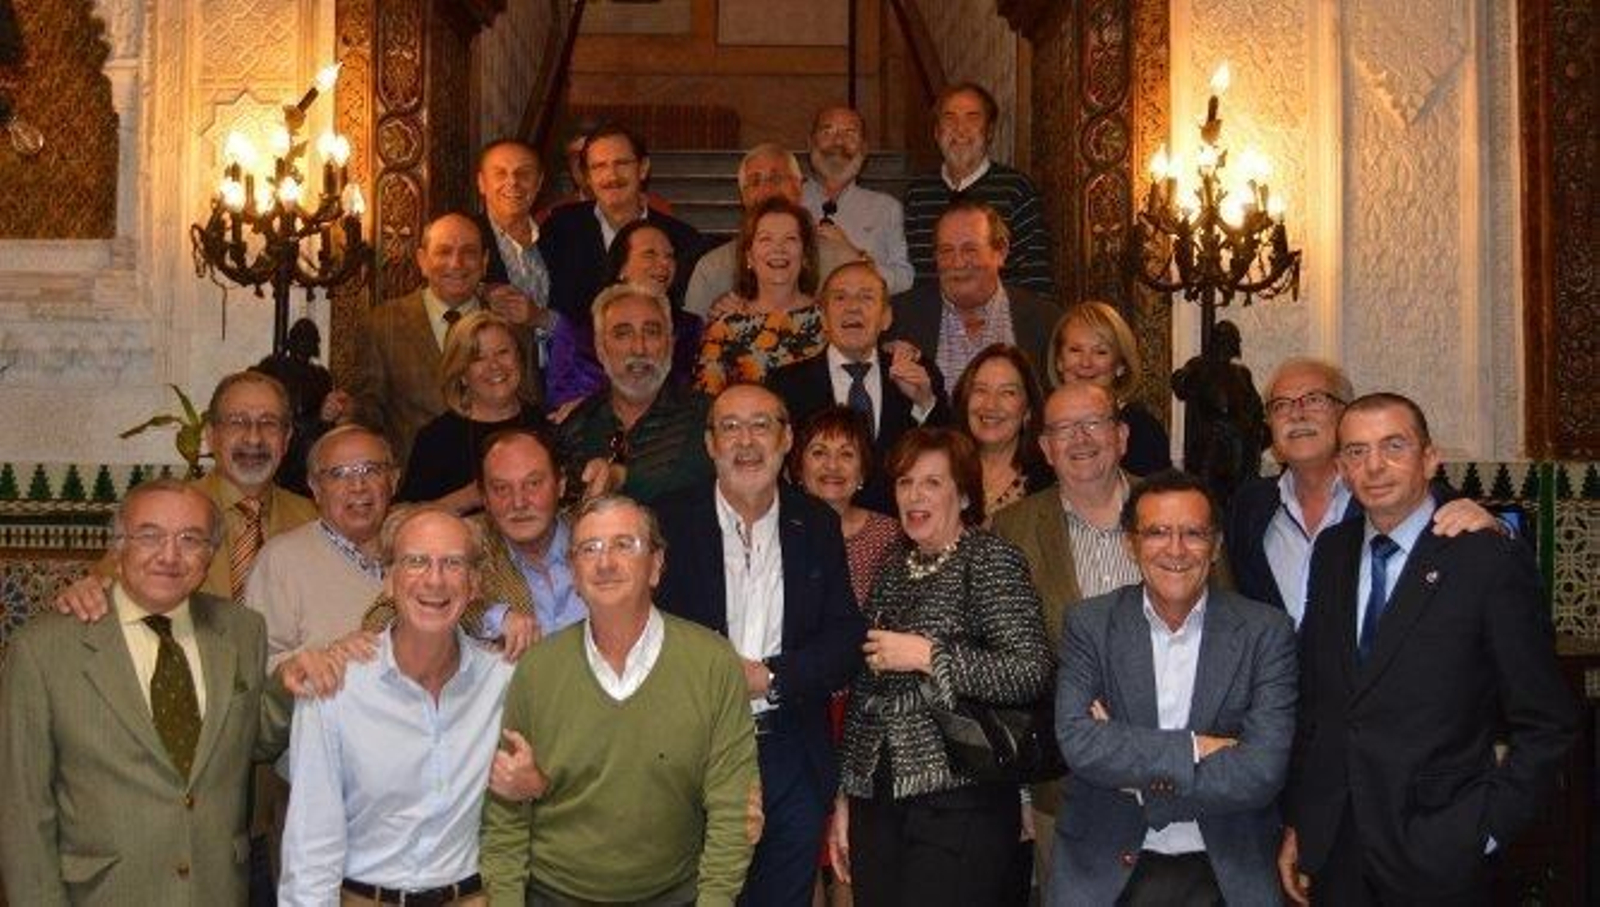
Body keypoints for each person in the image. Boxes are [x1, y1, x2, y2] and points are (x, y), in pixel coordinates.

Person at [1279, 393, 1578, 906]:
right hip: (1336, 850)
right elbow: (1320, 704)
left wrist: (1486, 829)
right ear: (1342, 468)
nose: (1374, 466)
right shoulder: (1332, 553)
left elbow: (1549, 721)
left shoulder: (1486, 558)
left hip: (1441, 850)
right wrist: (1302, 823)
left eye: (1394, 446)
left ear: (1430, 457)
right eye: (1356, 451)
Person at [1, 479, 287, 905]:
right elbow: (23, 809)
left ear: (210, 554)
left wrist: (291, 690)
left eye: (191, 539)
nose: (169, 556)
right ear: (118, 546)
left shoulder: (244, 631)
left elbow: (255, 742)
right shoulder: (44, 648)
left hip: (216, 891)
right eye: (149, 535)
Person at [480, 494, 761, 905]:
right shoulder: (537, 670)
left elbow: (733, 809)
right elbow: (505, 816)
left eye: (624, 545)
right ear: (573, 572)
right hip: (554, 895)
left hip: (673, 895)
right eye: (589, 549)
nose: (606, 562)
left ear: (657, 564)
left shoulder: (711, 664)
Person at [654, 383, 867, 905]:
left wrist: (771, 677)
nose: (745, 442)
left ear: (786, 437)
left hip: (791, 749)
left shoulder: (816, 523)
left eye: (761, 425)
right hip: (693, 754)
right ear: (709, 443)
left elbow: (844, 638)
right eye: (729, 427)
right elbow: (640, 629)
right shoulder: (668, 522)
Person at [1051, 469, 1297, 905]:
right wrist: (1197, 748)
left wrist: (1138, 779)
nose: (1176, 550)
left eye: (1193, 533)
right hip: (1106, 870)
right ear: (1131, 543)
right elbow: (1080, 743)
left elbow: (1262, 771)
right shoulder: (1090, 624)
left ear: (1216, 545)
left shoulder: (1267, 632)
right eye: (1158, 533)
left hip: (1228, 870)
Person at [831, 427, 1054, 905]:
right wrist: (847, 796)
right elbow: (866, 690)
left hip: (961, 800)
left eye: (932, 482)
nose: (914, 495)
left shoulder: (990, 559)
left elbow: (1029, 671)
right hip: (879, 799)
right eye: (905, 482)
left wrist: (929, 656)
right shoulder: (893, 566)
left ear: (965, 492)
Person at [279, 505, 513, 906]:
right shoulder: (337, 687)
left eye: (453, 564)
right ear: (388, 580)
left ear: (474, 584)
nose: (434, 580)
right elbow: (312, 847)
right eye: (416, 562)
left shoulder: (503, 681)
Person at [991, 381, 1143, 890]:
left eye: (1093, 423)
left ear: (1120, 435)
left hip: (1171, 772)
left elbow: (1226, 637)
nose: (1080, 438)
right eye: (1062, 428)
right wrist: (1019, 794)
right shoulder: (1012, 529)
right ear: (1045, 448)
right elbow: (998, 663)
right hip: (1061, 780)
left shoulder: (1174, 508)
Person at [1225, 357, 1501, 624]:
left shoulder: (1395, 494)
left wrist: (1498, 528)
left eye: (1314, 400)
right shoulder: (1248, 506)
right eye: (1281, 405)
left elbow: (1475, 534)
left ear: (1345, 414)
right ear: (1269, 424)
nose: (1297, 414)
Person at [57, 370, 318, 611]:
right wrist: (88, 592)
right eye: (237, 422)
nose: (253, 438)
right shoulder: (162, 511)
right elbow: (104, 584)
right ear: (211, 435)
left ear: (286, 440)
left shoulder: (314, 521)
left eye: (268, 423)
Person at [787, 406, 900, 905]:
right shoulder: (778, 528)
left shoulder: (890, 535)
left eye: (846, 453)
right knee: (799, 853)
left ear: (863, 470)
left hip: (867, 715)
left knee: (854, 857)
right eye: (818, 452)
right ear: (796, 464)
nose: (832, 465)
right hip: (798, 710)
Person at [354, 212, 537, 466]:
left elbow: (530, 403)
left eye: (469, 252)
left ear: (484, 262)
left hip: (503, 484)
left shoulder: (511, 323)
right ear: (422, 261)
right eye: (443, 252)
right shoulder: (383, 325)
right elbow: (366, 415)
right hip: (415, 490)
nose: (456, 263)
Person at [768, 260, 948, 508]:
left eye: (866, 297)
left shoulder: (917, 374)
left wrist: (925, 403)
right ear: (823, 317)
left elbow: (948, 455)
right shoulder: (785, 385)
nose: (853, 307)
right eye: (840, 298)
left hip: (901, 528)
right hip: (812, 528)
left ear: (886, 317)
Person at [557, 282, 715, 504]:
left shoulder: (709, 417)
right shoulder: (576, 428)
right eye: (622, 334)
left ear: (670, 344)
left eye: (651, 333)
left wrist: (620, 478)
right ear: (600, 349)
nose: (639, 348)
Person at [539, 123, 706, 325]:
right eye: (599, 166)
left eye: (622, 163)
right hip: (577, 355)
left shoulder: (683, 240)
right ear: (587, 177)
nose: (612, 176)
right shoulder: (559, 228)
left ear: (643, 169)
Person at [890, 202, 1060, 393]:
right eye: (946, 251)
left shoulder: (1045, 321)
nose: (958, 262)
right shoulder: (898, 317)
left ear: (1001, 252)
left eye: (970, 249)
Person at [902, 82, 1053, 296]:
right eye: (949, 118)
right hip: (932, 321)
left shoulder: (1016, 190)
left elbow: (1036, 277)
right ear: (937, 133)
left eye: (972, 117)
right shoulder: (918, 193)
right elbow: (913, 274)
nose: (960, 128)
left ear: (989, 131)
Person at [685, 143, 865, 317]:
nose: (767, 189)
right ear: (742, 196)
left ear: (799, 186)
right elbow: (691, 338)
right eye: (755, 182)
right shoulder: (713, 268)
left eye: (776, 178)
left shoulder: (840, 260)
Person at [397, 311, 551, 511]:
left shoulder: (546, 424)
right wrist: (467, 499)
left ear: (519, 358)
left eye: (502, 352)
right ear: (461, 374)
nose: (494, 366)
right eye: (478, 358)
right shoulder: (436, 439)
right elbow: (405, 521)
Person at [546, 218, 704, 407]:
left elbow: (692, 394)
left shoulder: (689, 326)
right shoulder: (577, 324)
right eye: (650, 254)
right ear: (621, 266)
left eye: (669, 256)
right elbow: (559, 398)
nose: (663, 263)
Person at [695, 196, 828, 394]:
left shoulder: (831, 321)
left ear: (806, 255)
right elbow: (705, 405)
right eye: (766, 239)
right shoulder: (724, 328)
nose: (778, 249)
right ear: (749, 257)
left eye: (790, 239)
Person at [476, 428, 587, 641]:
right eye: (501, 488)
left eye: (533, 484)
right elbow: (414, 610)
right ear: (485, 499)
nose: (518, 502)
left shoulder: (598, 537)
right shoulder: (470, 551)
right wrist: (499, 618)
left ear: (560, 485)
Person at [1048, 300, 1172, 476]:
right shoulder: (1041, 425)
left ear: (1121, 365)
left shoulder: (1144, 432)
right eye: (1075, 350)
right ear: (1059, 361)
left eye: (1100, 352)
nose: (1086, 363)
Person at [802, 105, 914, 294]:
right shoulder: (789, 203)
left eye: (850, 133)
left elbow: (904, 279)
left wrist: (853, 255)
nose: (838, 141)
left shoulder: (886, 209)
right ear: (810, 143)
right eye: (827, 131)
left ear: (864, 148)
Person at [1171, 320, 1269, 506]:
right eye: (1222, 339)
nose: (1227, 345)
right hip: (1211, 445)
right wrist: (1193, 374)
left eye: (1230, 340)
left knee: (1240, 501)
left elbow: (1255, 408)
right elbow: (1180, 385)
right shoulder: (1199, 365)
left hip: (1239, 444)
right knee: (1207, 501)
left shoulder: (1242, 373)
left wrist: (1256, 433)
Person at [952, 343, 1052, 521]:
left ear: (1028, 409)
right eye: (981, 390)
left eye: (1007, 393)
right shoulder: (944, 471)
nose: (990, 404)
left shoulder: (1049, 484)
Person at [475, 138, 556, 356]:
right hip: (492, 375)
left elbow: (578, 317)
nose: (512, 182)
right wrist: (481, 290)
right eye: (500, 173)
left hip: (556, 378)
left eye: (524, 173)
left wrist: (539, 317)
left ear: (539, 183)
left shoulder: (560, 239)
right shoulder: (467, 239)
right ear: (482, 183)